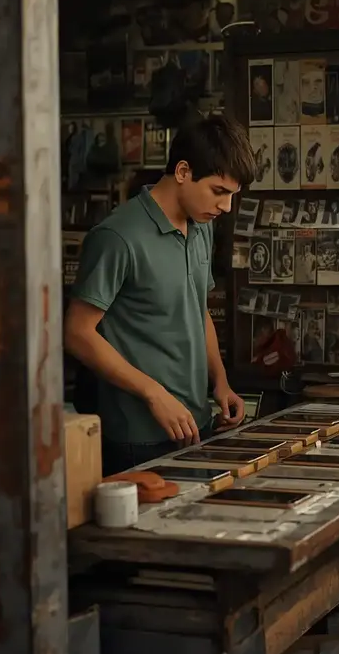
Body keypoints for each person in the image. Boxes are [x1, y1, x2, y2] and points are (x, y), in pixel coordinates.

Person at [65, 115, 254, 476]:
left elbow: (197, 311)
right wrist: (154, 394)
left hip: (198, 424)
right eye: (219, 191)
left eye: (233, 195)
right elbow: (76, 333)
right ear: (183, 171)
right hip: (137, 436)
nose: (227, 207)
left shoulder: (202, 227)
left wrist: (221, 381)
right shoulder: (117, 236)